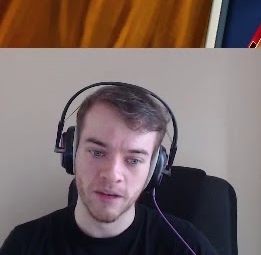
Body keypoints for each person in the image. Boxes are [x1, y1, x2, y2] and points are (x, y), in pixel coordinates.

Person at [0, 84, 219, 254]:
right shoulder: (24, 244)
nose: (112, 175)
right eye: (97, 152)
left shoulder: (188, 246)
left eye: (134, 160)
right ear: (71, 154)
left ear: (154, 170)